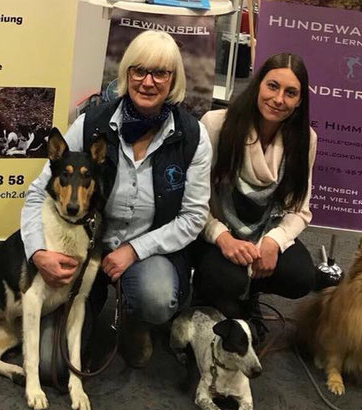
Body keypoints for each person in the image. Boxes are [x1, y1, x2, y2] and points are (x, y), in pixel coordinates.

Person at [21, 31, 211, 367]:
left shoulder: (193, 136)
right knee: (51, 364)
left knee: (156, 296)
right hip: (85, 247)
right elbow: (39, 192)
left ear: (173, 79)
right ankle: (85, 305)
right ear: (126, 73)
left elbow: (193, 217)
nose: (148, 82)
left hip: (147, 252)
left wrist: (133, 250)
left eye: (160, 73)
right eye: (139, 71)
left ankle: (135, 322)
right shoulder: (91, 123)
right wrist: (37, 251)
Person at [193, 53, 319, 323]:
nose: (279, 99)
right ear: (257, 85)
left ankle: (249, 293)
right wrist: (222, 237)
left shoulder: (305, 139)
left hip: (264, 230)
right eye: (272, 86)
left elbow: (300, 210)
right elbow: (191, 199)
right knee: (227, 279)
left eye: (290, 93)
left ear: (299, 101)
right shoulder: (216, 125)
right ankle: (211, 293)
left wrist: (274, 241)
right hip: (215, 230)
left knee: (301, 277)